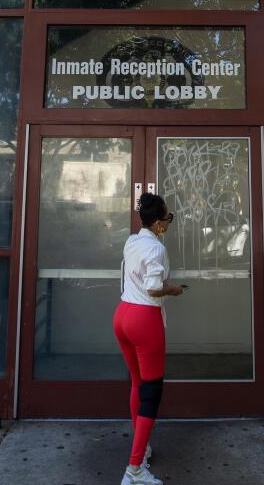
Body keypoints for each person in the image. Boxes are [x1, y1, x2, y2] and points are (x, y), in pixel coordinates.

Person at [114, 193, 185, 485]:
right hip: (144, 319)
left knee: (138, 383)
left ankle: (140, 451)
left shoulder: (132, 241)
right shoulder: (156, 249)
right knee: (152, 393)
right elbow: (154, 288)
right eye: (167, 218)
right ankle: (134, 470)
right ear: (156, 223)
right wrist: (174, 289)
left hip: (122, 315)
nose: (169, 223)